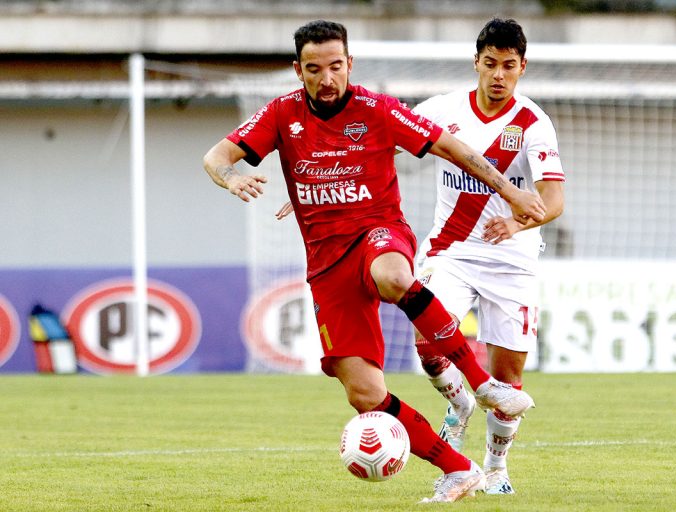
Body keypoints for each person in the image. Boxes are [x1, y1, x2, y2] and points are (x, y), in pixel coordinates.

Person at [203, 20, 545, 503]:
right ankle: (458, 469)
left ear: (350, 64)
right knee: (365, 395)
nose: (327, 79)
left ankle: (483, 383)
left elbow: (452, 147)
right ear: (297, 69)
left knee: (392, 275)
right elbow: (215, 157)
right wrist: (231, 177)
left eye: (336, 66)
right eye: (315, 69)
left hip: (377, 232)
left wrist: (509, 189)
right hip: (326, 264)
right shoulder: (281, 113)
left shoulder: (377, 108)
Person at [410, 18, 565, 495]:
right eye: (491, 64)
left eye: (509, 66)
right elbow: (384, 138)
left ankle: (496, 468)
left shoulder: (533, 123)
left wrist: (518, 222)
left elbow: (554, 201)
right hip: (450, 250)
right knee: (427, 342)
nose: (499, 75)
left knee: (508, 378)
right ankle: (458, 404)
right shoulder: (441, 109)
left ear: (522, 68)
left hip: (512, 259)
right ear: (476, 62)